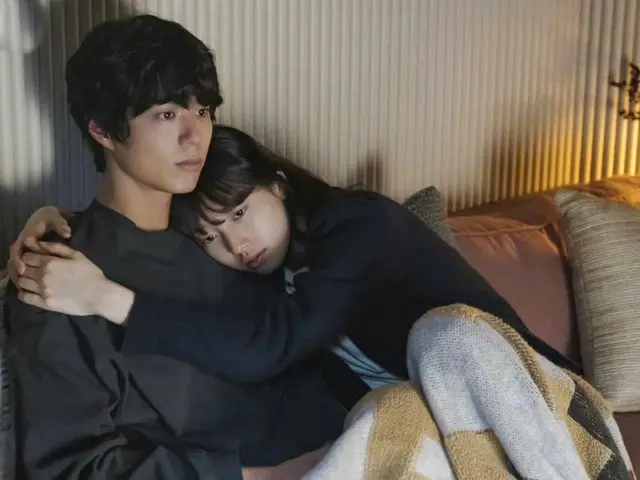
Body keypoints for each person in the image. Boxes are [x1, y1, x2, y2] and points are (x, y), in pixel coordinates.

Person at [9, 126, 581, 413]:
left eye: (240, 213)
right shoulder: (268, 269)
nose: (236, 244)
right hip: (426, 419)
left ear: (278, 186)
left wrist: (106, 298)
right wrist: (62, 221)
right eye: (210, 237)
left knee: (447, 336)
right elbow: (148, 236)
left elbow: (270, 348)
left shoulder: (358, 228)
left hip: (536, 398)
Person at [2, 15, 345, 479]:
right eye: (166, 115)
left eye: (202, 111)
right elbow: (71, 466)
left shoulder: (221, 229)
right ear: (102, 131)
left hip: (345, 442)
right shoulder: (56, 272)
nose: (194, 136)